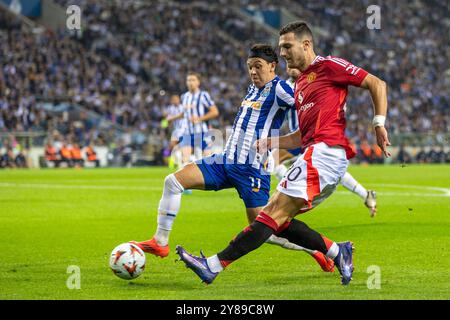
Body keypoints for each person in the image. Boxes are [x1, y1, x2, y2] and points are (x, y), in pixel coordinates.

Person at [176, 22, 390, 286]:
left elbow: (376, 83)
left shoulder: (329, 66)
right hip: (314, 153)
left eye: (287, 47)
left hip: (325, 154)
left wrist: (378, 122)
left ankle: (212, 265)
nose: (284, 53)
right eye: (281, 48)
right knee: (279, 220)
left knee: (270, 214)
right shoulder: (300, 86)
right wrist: (271, 142)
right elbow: (302, 135)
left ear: (306, 45)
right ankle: (337, 250)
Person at [131, 44, 334, 272]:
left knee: (265, 230)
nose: (253, 72)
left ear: (272, 66)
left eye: (258, 66)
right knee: (172, 181)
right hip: (225, 162)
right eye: (250, 67)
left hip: (252, 172)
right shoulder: (253, 89)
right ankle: (160, 242)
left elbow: (307, 106)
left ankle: (315, 250)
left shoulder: (280, 89)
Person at [273, 67, 378, 217]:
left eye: (295, 67)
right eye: (290, 67)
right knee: (334, 171)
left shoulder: (304, 84)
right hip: (302, 136)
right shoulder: (292, 85)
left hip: (308, 136)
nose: (292, 69)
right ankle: (366, 194)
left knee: (275, 162)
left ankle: (287, 196)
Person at [178, 72, 219, 164]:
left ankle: (208, 178)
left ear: (198, 82)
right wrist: (172, 118)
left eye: (193, 80)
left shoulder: (203, 95)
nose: (190, 82)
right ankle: (186, 178)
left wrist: (199, 118)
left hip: (202, 132)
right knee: (184, 161)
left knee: (207, 160)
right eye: (188, 80)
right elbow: (184, 114)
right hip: (187, 132)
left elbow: (215, 111)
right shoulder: (184, 96)